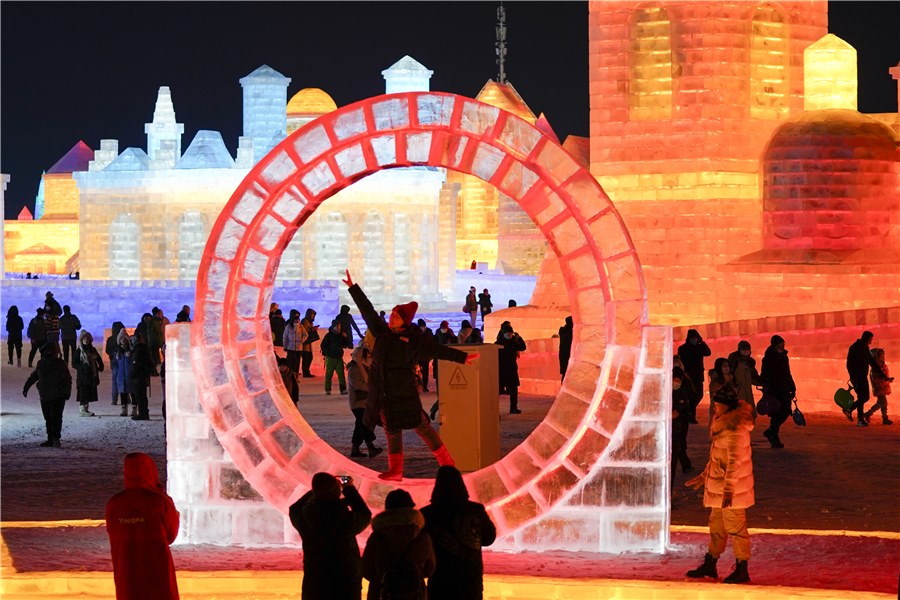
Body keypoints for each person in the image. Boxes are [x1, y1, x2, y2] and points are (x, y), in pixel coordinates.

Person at [344, 270, 475, 480]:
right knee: (391, 431)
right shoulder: (382, 333)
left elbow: (437, 350)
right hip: (384, 394)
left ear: (404, 321)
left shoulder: (413, 340)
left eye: (396, 316)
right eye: (392, 314)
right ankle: (395, 470)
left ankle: (447, 464)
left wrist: (462, 358)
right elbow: (367, 311)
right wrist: (353, 288)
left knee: (423, 428)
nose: (392, 317)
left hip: (404, 394)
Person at [685, 372, 755, 585]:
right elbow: (717, 459)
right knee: (716, 528)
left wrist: (728, 492)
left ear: (726, 406)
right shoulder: (723, 424)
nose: (714, 408)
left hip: (731, 492)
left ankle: (742, 568)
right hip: (719, 488)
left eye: (717, 405)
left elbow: (734, 462)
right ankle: (710, 563)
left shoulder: (736, 429)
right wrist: (704, 477)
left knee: (736, 529)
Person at [105, 452, 180, 600]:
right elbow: (171, 535)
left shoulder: (114, 503)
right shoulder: (159, 501)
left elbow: (112, 532)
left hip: (126, 568)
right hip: (157, 568)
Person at [289, 472, 372, 600]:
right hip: (346, 583)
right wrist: (348, 488)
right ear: (337, 492)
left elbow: (294, 508)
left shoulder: (305, 518)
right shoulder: (346, 520)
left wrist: (318, 490)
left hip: (315, 585)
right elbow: (364, 513)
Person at [421, 466, 497, 600]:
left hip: (440, 581)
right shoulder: (476, 510)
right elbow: (489, 538)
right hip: (470, 581)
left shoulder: (427, 514)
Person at [362, 489, 435, 600]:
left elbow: (366, 570)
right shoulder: (422, 536)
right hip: (414, 593)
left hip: (381, 593)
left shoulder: (377, 537)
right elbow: (430, 568)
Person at [23, 344, 72, 448]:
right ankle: (50, 439)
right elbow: (34, 376)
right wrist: (26, 387)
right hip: (45, 396)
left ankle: (55, 439)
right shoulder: (41, 363)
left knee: (56, 417)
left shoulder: (60, 364)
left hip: (58, 396)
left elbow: (67, 380)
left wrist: (66, 393)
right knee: (48, 418)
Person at [346, 333, 382, 458]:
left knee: (360, 425)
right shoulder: (354, 369)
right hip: (357, 402)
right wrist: (372, 388)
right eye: (369, 356)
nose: (371, 358)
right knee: (364, 424)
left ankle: (355, 449)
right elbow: (358, 385)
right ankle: (370, 447)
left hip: (364, 401)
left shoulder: (365, 368)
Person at [845, 331, 891, 427]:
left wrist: (884, 376)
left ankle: (851, 411)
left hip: (862, 376)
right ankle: (860, 418)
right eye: (870, 340)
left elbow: (873, 364)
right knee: (862, 397)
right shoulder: (855, 348)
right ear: (867, 338)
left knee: (864, 397)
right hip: (857, 377)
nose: (871, 342)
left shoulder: (865, 348)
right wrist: (854, 376)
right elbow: (849, 364)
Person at [760, 335, 796, 449]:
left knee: (785, 411)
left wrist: (792, 386)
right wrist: (766, 388)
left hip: (784, 388)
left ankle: (771, 431)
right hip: (774, 389)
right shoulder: (768, 358)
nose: (782, 346)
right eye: (780, 344)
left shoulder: (784, 357)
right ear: (775, 345)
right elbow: (765, 374)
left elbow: (787, 372)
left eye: (783, 343)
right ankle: (774, 437)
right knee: (777, 412)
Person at [678, 329, 711, 423]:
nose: (694, 340)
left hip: (698, 375)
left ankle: (689, 412)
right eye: (692, 338)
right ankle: (691, 417)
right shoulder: (683, 348)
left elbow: (708, 353)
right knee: (691, 395)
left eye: (696, 338)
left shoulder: (699, 347)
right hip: (687, 375)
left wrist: (702, 343)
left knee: (699, 395)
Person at [496, 322, 526, 414]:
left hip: (511, 368)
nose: (509, 335)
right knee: (498, 390)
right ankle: (495, 409)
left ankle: (513, 407)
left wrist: (519, 338)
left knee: (513, 390)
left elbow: (522, 347)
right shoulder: (498, 343)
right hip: (501, 369)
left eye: (510, 333)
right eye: (507, 333)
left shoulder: (514, 342)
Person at [728, 340, 762, 419]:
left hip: (747, 389)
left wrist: (762, 382)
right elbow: (729, 373)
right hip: (737, 388)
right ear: (739, 350)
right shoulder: (734, 359)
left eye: (747, 350)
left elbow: (753, 376)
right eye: (744, 350)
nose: (745, 352)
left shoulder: (750, 362)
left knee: (748, 409)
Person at [671, 372, 693, 494]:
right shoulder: (663, 392)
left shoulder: (682, 394)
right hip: (666, 434)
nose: (676, 383)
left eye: (678, 381)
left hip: (677, 432)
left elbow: (688, 413)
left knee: (674, 461)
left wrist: (678, 415)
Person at [129, 330, 158, 420]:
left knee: (140, 396)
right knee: (142, 396)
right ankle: (144, 413)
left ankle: (142, 414)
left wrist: (131, 374)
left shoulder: (138, 350)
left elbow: (135, 364)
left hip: (139, 377)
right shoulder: (144, 349)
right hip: (143, 376)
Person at [74, 330, 104, 417]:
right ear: (82, 340)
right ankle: (82, 409)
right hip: (83, 376)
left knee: (89, 392)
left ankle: (86, 408)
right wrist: (82, 367)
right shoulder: (79, 351)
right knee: (83, 391)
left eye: (87, 338)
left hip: (92, 375)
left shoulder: (92, 350)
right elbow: (74, 363)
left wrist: (100, 367)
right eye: (84, 338)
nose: (86, 340)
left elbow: (98, 358)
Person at [865, 347, 893, 425]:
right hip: (879, 388)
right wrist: (887, 379)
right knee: (882, 402)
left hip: (883, 387)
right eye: (881, 356)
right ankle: (870, 414)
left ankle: (883, 418)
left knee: (882, 402)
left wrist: (887, 380)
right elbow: (878, 378)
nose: (883, 357)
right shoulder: (875, 368)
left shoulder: (882, 366)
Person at [321, 320, 347, 395]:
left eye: (339, 326)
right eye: (337, 326)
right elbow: (323, 346)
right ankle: (328, 389)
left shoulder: (341, 335)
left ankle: (343, 389)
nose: (339, 328)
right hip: (330, 358)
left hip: (339, 357)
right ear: (333, 327)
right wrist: (328, 353)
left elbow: (346, 344)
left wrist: (345, 338)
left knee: (341, 374)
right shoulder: (328, 336)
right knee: (329, 374)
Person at [115, 328, 134, 416]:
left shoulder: (130, 350)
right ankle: (124, 409)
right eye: (121, 338)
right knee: (123, 393)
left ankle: (134, 408)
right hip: (121, 376)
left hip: (130, 375)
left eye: (124, 338)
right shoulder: (117, 352)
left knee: (132, 392)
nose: (123, 340)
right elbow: (114, 365)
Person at [106, 322, 126, 405]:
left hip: (113, 361)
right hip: (122, 360)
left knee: (114, 381)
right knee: (123, 379)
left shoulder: (110, 339)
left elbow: (107, 350)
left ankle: (114, 399)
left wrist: (112, 355)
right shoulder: (123, 338)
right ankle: (125, 398)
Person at [282, 309, 305, 376]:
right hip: (290, 347)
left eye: (298, 318)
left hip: (298, 348)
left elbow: (305, 335)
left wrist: (301, 341)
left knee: (297, 362)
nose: (297, 320)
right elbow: (285, 337)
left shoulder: (301, 327)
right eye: (296, 318)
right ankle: (290, 375)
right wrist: (285, 346)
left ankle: (295, 375)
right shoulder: (289, 326)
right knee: (291, 362)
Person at [300, 308, 319, 378]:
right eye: (312, 315)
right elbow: (304, 331)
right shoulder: (305, 321)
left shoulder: (309, 322)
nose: (313, 317)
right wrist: (313, 329)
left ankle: (306, 372)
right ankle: (305, 372)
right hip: (305, 344)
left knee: (309, 358)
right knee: (306, 358)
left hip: (308, 343)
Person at [415, 319, 433, 393]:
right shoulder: (415, 333)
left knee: (425, 372)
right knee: (417, 372)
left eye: (423, 326)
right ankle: (418, 386)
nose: (423, 328)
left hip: (425, 356)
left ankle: (424, 386)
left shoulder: (429, 332)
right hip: (418, 355)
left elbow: (432, 343)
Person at [558, 315, 573, 381]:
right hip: (568, 357)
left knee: (565, 375)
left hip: (564, 358)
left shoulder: (564, 332)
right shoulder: (568, 333)